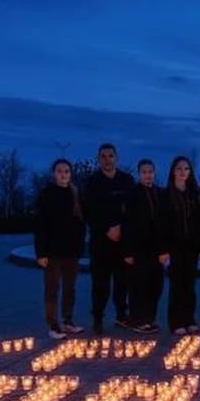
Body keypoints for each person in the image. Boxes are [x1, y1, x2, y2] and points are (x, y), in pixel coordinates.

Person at [83, 143, 135, 334]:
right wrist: (106, 229)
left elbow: (133, 210)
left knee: (122, 281)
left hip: (123, 241)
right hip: (100, 241)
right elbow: (88, 211)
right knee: (100, 283)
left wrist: (122, 228)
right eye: (103, 156)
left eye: (110, 156)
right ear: (98, 159)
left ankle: (122, 315)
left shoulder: (127, 180)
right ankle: (98, 318)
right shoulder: (92, 182)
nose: (107, 159)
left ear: (116, 158)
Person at [33, 159, 86, 339]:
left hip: (71, 251)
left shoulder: (75, 194)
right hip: (52, 252)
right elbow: (40, 225)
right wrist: (41, 253)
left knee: (70, 288)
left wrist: (79, 246)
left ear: (70, 174)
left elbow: (80, 223)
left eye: (66, 171)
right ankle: (53, 325)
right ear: (54, 173)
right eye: (60, 171)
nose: (63, 174)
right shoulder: (46, 194)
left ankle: (68, 321)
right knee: (52, 289)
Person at [123, 159, 168, 334]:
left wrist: (164, 249)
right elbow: (127, 223)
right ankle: (137, 319)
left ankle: (150, 318)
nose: (148, 175)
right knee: (138, 285)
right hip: (138, 248)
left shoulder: (160, 193)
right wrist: (127, 250)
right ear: (139, 173)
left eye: (150, 171)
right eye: (144, 172)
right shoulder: (133, 194)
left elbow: (164, 223)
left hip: (156, 249)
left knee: (155, 285)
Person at [163, 156, 200, 335]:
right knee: (176, 284)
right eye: (179, 168)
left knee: (190, 284)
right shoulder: (166, 195)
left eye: (186, 169)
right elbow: (161, 224)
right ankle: (176, 321)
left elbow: (199, 222)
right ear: (173, 171)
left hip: (191, 246)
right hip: (174, 246)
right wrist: (164, 249)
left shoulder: (194, 194)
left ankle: (189, 319)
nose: (182, 172)